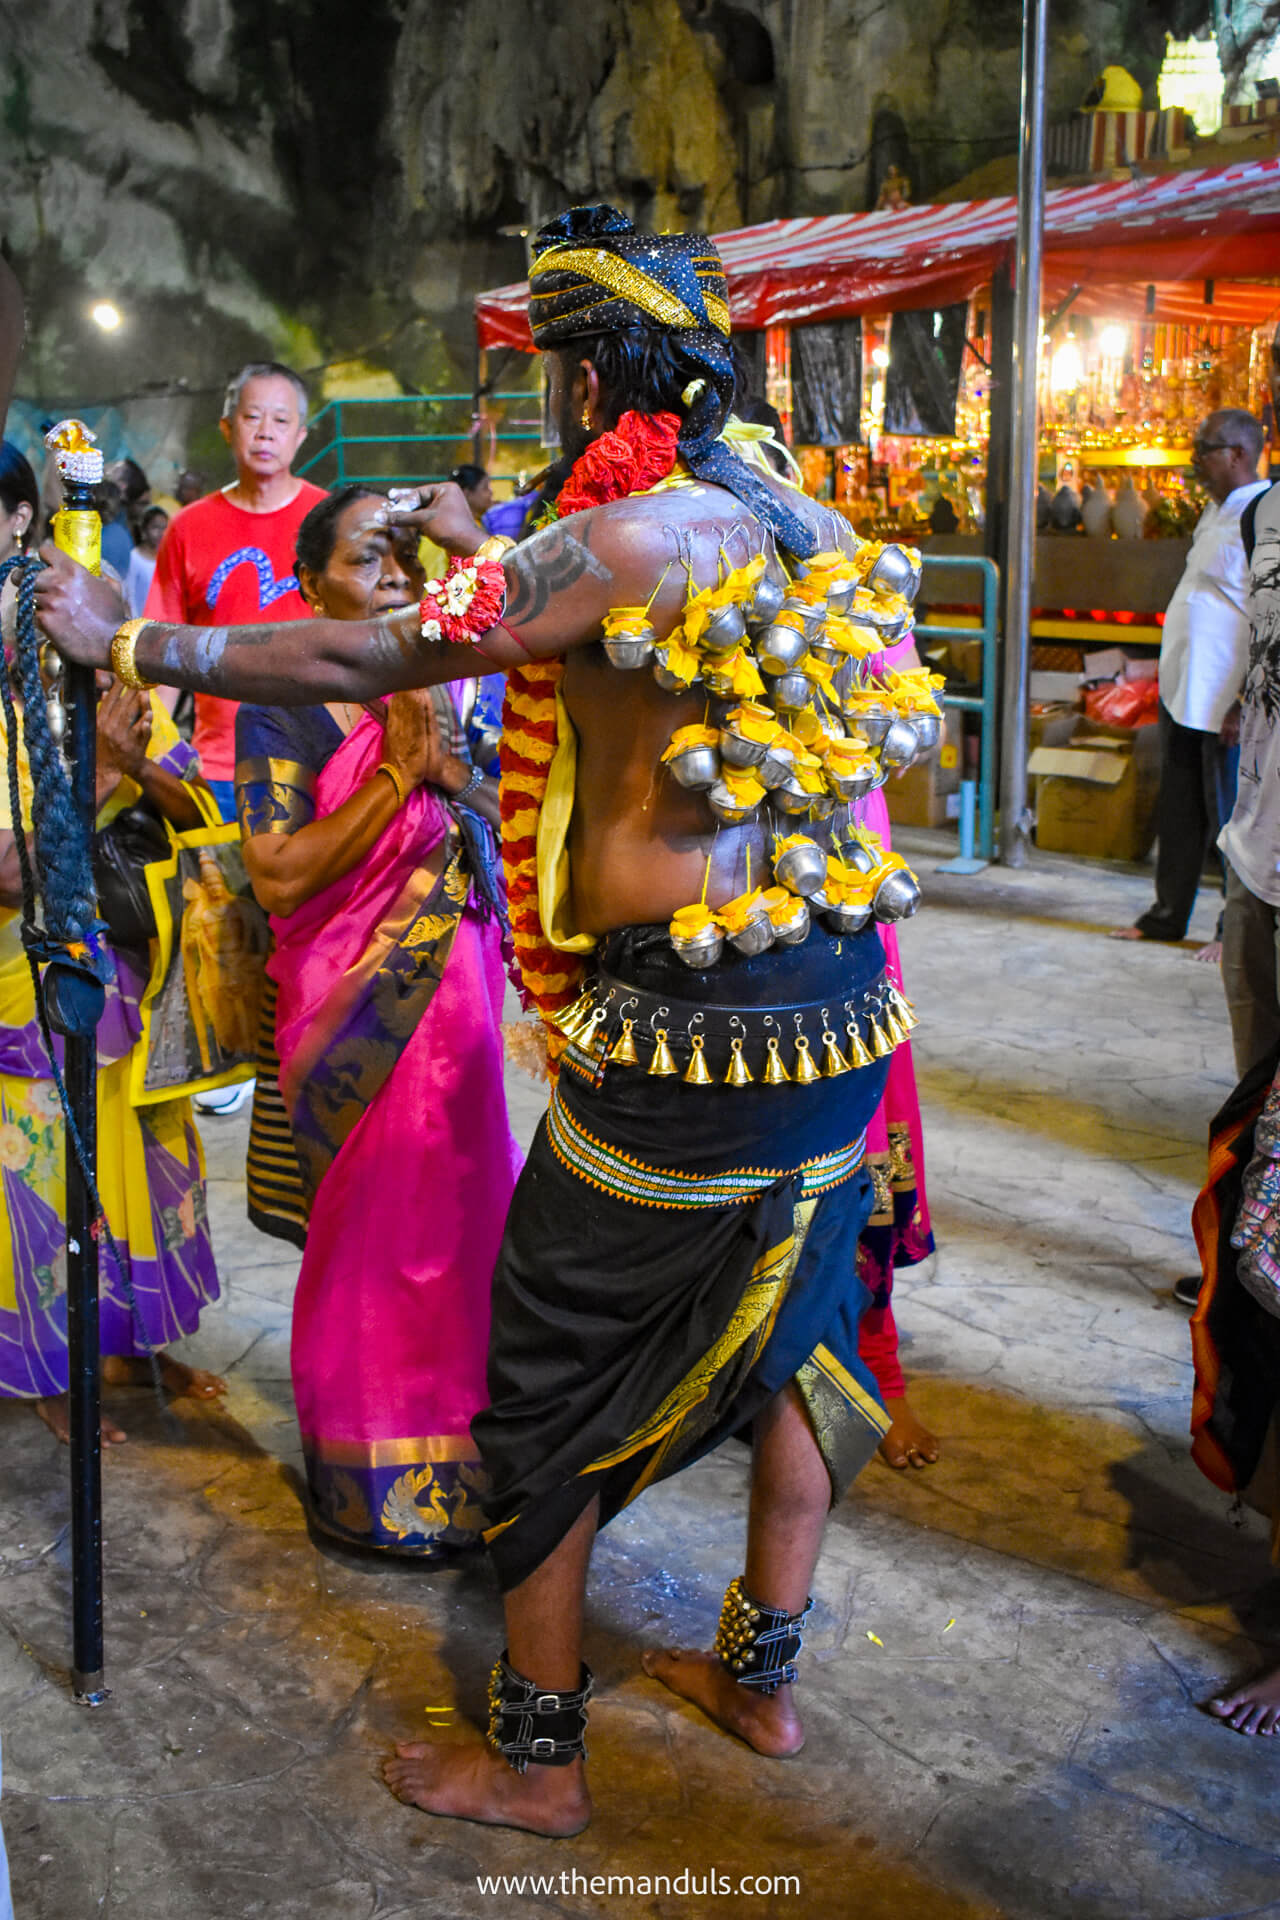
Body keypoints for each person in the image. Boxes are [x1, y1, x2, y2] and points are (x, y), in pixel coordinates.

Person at [36, 204, 929, 1836]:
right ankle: (763, 1675)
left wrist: (139, 638)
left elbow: (372, 648)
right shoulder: (793, 515)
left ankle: (536, 1753)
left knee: (542, 1377)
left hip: (690, 1031)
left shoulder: (635, 541)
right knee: (797, 1345)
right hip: (843, 1005)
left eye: (553, 381)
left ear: (593, 383)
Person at [235, 484, 518, 1550]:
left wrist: (456, 772)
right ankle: (364, 1483)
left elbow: (495, 810)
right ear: (311, 583)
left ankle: (470, 1460)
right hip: (351, 1017)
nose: (392, 576)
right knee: (374, 1240)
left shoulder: (452, 682)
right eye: (365, 558)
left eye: (403, 556)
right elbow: (276, 874)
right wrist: (400, 769)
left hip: (462, 1006)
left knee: (464, 1218)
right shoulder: (288, 702)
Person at [0, 664, 227, 1442]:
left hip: (137, 980)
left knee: (141, 1176)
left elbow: (199, 807)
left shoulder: (112, 697)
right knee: (51, 1185)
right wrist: (101, 771)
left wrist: (131, 763)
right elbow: (6, 874)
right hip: (32, 989)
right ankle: (50, 1373)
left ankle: (127, 1350)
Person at [1112, 410, 1267, 958]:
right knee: (1180, 813)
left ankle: (1236, 932)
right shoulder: (1215, 511)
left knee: (1235, 818)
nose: (1196, 459)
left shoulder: (1264, 515)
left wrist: (1245, 700)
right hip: (1185, 691)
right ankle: (1165, 918)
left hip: (1227, 701)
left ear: (1238, 455)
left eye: (1206, 449)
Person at [143, 362, 325, 823]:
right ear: (227, 427)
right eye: (252, 417)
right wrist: (153, 748)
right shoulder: (187, 528)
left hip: (322, 759)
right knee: (222, 895)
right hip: (221, 771)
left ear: (300, 435)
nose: (266, 433)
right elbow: (160, 654)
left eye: (281, 421)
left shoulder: (329, 521)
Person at [124, 505, 168, 618]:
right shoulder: (134, 557)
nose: (161, 533)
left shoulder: (166, 557)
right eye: (155, 528)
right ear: (144, 530)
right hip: (141, 621)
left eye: (164, 528)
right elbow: (130, 594)